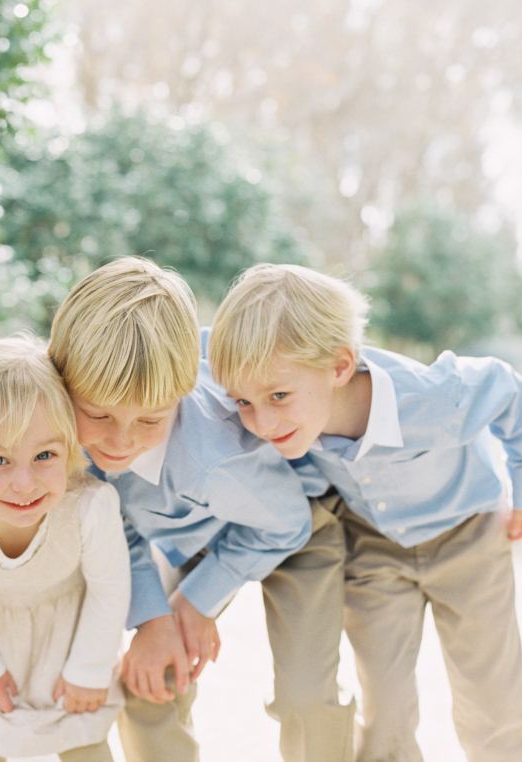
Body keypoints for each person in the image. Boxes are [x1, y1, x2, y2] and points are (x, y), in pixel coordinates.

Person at [208, 263, 522, 762]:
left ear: (340, 366)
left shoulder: (434, 400)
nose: (260, 421)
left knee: (492, 698)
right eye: (243, 401)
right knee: (386, 705)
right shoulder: (294, 418)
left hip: (468, 538)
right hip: (373, 547)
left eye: (278, 396)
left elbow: (507, 388)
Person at [49, 257, 356, 762]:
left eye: (150, 420)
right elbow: (113, 524)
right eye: (97, 414)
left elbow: (286, 523)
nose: (119, 441)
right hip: (187, 529)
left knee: (305, 695)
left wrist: (196, 602)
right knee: (150, 684)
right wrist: (153, 619)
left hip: (289, 524)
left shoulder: (218, 457)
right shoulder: (66, 441)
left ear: (183, 390)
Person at [0, 333, 130, 762]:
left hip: (74, 642)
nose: (25, 483)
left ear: (70, 447)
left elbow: (110, 590)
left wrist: (89, 669)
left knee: (85, 745)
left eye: (45, 455)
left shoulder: (90, 506)